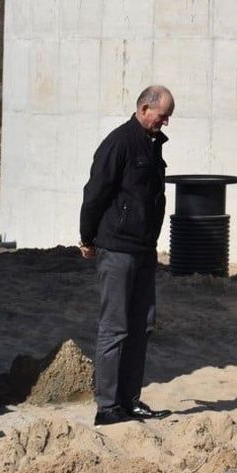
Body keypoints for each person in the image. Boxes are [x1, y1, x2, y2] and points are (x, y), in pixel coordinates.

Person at [79, 85, 175, 426]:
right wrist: (87, 236)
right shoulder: (119, 143)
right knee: (115, 327)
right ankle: (107, 406)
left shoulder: (152, 144)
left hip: (144, 249)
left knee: (142, 325)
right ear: (144, 108)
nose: (165, 122)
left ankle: (129, 400)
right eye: (162, 116)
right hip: (117, 247)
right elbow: (95, 192)